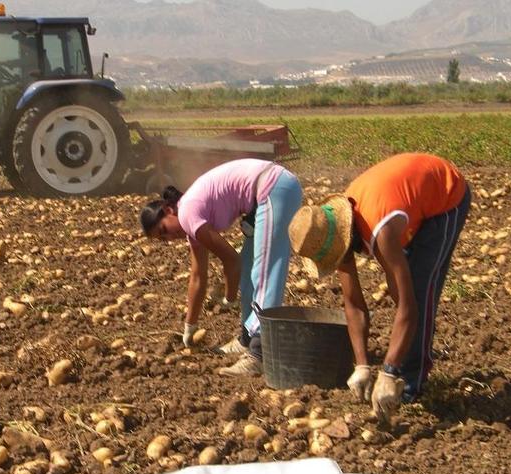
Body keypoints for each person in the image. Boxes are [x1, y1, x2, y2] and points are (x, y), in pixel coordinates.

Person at [288, 152, 471, 421]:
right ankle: (399, 369)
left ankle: (410, 386)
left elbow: (409, 307)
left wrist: (387, 371)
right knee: (404, 284)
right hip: (403, 200)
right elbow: (354, 305)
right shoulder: (334, 230)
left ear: (345, 238)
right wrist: (361, 364)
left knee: (418, 289)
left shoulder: (380, 231)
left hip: (444, 195)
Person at [140, 158, 303, 376]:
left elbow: (230, 259)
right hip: (267, 194)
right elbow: (198, 277)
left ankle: (259, 354)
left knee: (265, 271)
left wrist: (229, 298)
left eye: (163, 231)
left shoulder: (187, 213)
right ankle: (247, 338)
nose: (169, 238)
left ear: (169, 210)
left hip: (273, 188)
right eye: (163, 240)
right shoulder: (191, 223)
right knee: (249, 268)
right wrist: (190, 326)